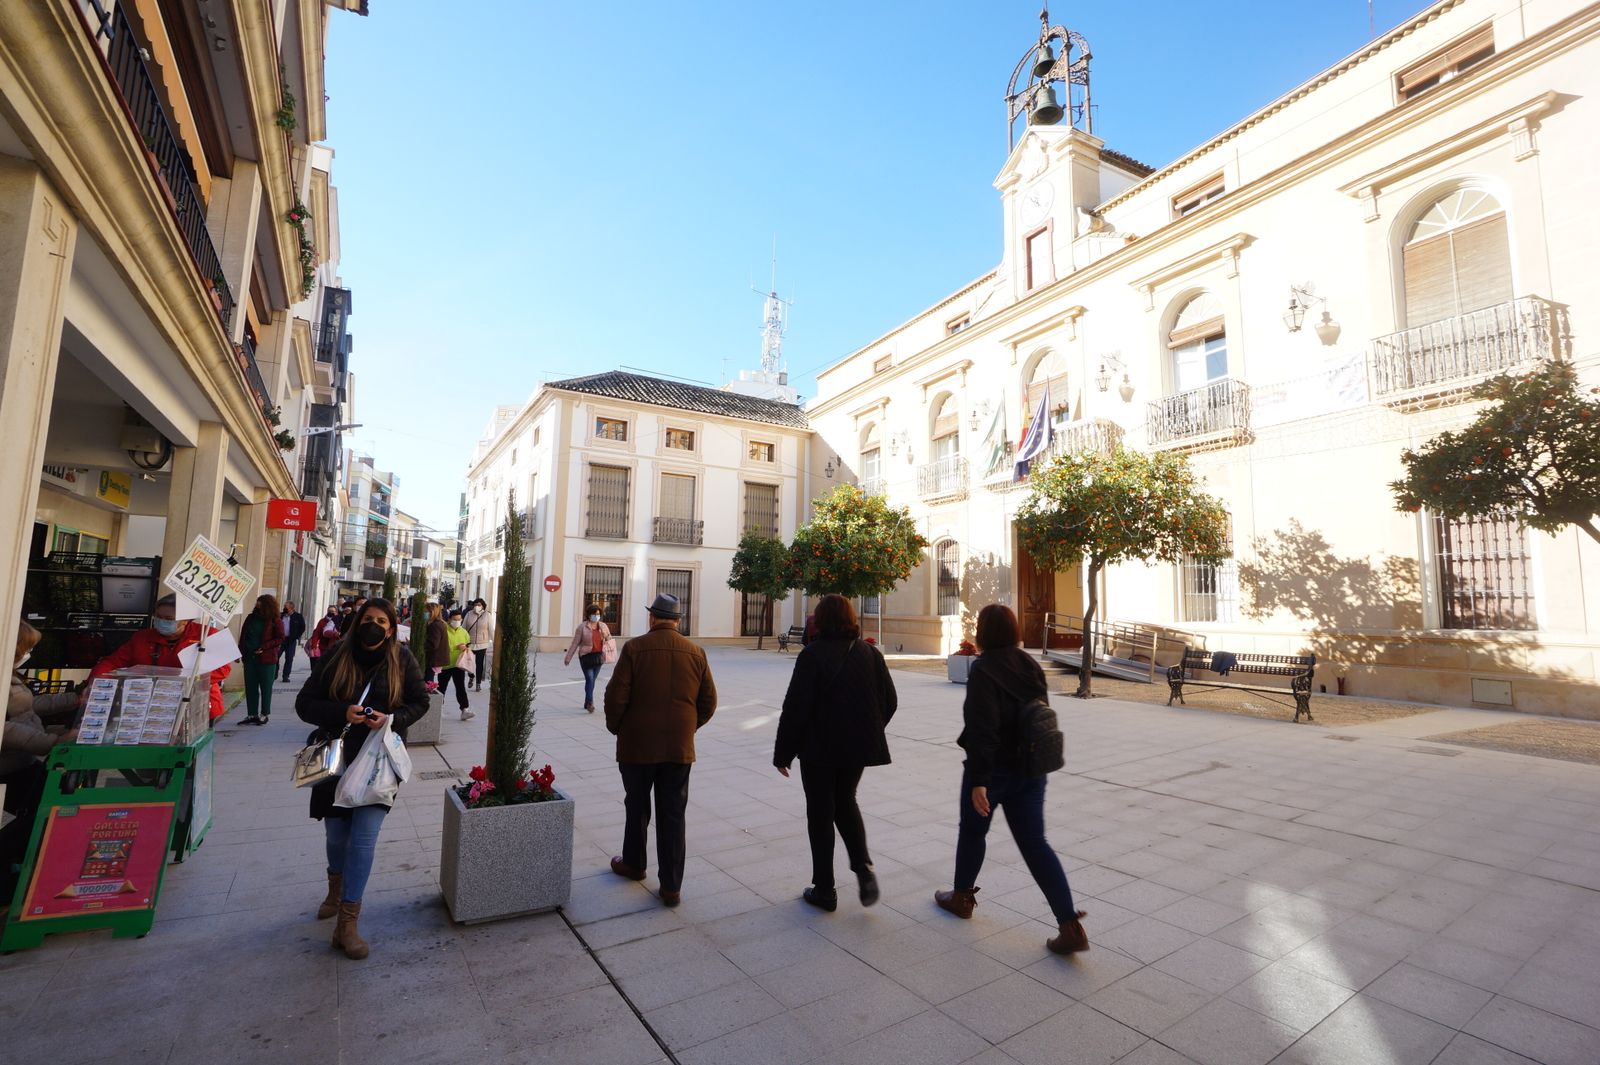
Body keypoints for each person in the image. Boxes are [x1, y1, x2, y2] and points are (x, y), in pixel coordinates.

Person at [934, 603, 1088, 955]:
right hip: (1031, 768)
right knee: (1035, 844)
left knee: (973, 832)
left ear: (984, 632)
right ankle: (1070, 925)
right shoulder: (1029, 664)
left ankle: (961, 898)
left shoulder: (984, 669)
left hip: (994, 771)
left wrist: (979, 781)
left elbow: (982, 729)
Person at [295, 597, 430, 960]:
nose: (374, 626)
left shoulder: (401, 658)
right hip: (336, 759)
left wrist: (391, 719)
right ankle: (335, 889)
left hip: (378, 762)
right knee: (337, 836)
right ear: (358, 622)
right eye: (369, 619)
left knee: (364, 839)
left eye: (382, 621)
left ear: (391, 629)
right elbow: (304, 704)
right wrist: (342, 712)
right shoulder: (337, 655)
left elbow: (420, 702)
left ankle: (347, 923)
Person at [774, 594, 897, 912]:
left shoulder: (812, 655)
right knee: (846, 802)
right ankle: (863, 868)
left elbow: (796, 708)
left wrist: (783, 753)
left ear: (821, 620)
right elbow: (890, 700)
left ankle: (825, 889)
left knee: (820, 813)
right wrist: (867, 729)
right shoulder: (869, 653)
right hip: (855, 748)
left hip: (819, 749)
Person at [603, 593, 716, 906]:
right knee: (673, 814)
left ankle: (634, 864)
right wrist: (688, 727)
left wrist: (618, 727)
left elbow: (616, 696)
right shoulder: (696, 652)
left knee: (636, 806)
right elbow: (708, 701)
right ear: (678, 621)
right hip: (678, 748)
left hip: (637, 746)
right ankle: (671, 887)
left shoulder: (635, 648)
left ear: (652, 618)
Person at [3, 622, 79, 895]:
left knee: (47, 811)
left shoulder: (9, 673)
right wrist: (53, 742)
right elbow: (6, 729)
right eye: (27, 648)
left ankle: (22, 869)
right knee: (38, 817)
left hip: (22, 760)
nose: (29, 654)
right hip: (9, 766)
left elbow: (29, 705)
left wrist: (74, 699)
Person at [90, 594, 231, 722]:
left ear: (186, 620)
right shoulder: (142, 638)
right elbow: (112, 662)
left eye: (169, 619)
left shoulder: (207, 634)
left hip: (196, 705)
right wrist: (95, 684)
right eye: (158, 617)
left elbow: (222, 670)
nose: (162, 622)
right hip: (150, 705)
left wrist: (179, 680)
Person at [237, 594, 283, 725]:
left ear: (267, 605)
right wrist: (239, 652)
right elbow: (243, 636)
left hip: (267, 660)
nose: (257, 604)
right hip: (249, 658)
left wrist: (264, 647)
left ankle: (264, 714)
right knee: (250, 686)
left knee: (266, 687)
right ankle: (252, 714)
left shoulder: (275, 620)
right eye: (257, 602)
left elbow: (280, 638)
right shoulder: (250, 618)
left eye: (260, 603)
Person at [563, 604, 616, 712]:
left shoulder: (603, 626)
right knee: (590, 679)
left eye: (598, 614)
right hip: (586, 657)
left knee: (592, 681)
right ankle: (590, 703)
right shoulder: (582, 627)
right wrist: (568, 657)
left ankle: (587, 701)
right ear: (588, 615)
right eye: (594, 614)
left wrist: (606, 635)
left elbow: (609, 640)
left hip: (598, 657)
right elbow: (575, 643)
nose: (596, 616)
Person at [440, 608, 474, 721]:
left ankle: (465, 709)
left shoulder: (463, 632)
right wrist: (456, 647)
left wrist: (466, 648)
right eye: (455, 619)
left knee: (460, 687)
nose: (457, 622)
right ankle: (439, 708)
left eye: (459, 619)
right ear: (449, 619)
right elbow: (440, 646)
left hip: (459, 664)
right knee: (441, 688)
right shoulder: (444, 630)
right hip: (445, 664)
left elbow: (468, 644)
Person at [463, 598, 494, 692]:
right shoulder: (469, 614)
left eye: (479, 605)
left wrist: (494, 642)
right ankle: (471, 676)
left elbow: (491, 629)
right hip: (470, 643)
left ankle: (478, 683)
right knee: (470, 663)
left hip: (482, 644)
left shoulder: (487, 615)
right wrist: (462, 641)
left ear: (483, 606)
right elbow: (463, 628)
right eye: (475, 604)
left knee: (479, 664)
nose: (477, 606)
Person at [278, 600, 307, 683]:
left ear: (291, 608)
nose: (284, 608)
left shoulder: (298, 616)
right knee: (276, 656)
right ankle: (275, 673)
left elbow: (302, 627)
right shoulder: (280, 615)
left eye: (286, 607)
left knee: (289, 658)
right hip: (280, 640)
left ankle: (286, 676)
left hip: (291, 640)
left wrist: (296, 636)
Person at [424, 603, 449, 686]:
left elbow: (433, 644)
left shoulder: (435, 625)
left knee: (428, 682)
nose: (424, 614)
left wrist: (420, 645)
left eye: (426, 611)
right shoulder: (438, 623)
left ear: (432, 612)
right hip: (434, 659)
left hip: (433, 659)